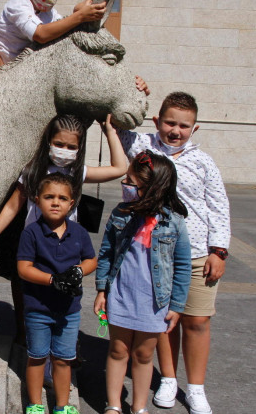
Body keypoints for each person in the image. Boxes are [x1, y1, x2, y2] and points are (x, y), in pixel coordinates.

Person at [118, 92, 231, 414]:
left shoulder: (203, 161)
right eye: (170, 122)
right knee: (163, 322)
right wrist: (136, 88)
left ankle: (195, 388)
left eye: (184, 125)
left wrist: (218, 251)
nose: (176, 130)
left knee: (197, 321)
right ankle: (168, 378)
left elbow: (218, 207)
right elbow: (113, 115)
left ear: (194, 128)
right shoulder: (142, 147)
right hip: (153, 254)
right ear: (157, 121)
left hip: (196, 255)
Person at [0, 114, 127, 343]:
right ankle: (27, 338)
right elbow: (13, 205)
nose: (64, 150)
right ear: (48, 142)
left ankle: (64, 346)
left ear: (79, 148)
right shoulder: (33, 170)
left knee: (64, 295)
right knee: (31, 293)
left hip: (65, 245)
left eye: (71, 146)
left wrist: (110, 133)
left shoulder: (77, 172)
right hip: (35, 244)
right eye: (59, 144)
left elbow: (120, 168)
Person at [93, 151, 192, 414]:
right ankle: (113, 405)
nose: (124, 185)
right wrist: (102, 290)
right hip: (121, 296)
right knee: (117, 350)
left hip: (154, 302)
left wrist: (177, 305)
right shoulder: (120, 214)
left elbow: (183, 266)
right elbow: (106, 252)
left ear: (151, 189)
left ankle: (139, 407)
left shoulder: (174, 223)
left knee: (144, 355)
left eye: (130, 182)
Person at [16, 173, 97, 414]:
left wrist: (78, 272)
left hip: (69, 310)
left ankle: (62, 405)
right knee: (37, 357)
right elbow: (23, 269)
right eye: (49, 197)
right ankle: (35, 404)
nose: (55, 202)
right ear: (37, 199)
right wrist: (52, 280)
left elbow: (91, 259)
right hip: (38, 309)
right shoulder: (31, 232)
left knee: (63, 359)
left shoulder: (79, 232)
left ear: (72, 203)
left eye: (62, 198)